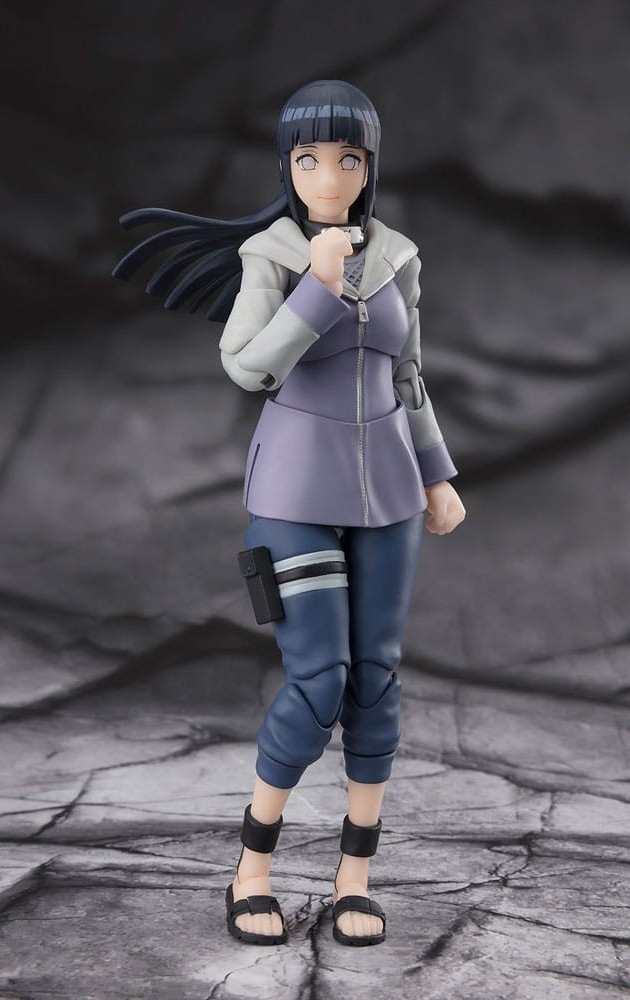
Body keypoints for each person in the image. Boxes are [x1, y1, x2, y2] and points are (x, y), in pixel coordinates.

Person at [113, 79, 465, 948]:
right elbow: (247, 366)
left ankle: (355, 877)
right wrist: (317, 287)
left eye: (348, 158)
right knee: (319, 681)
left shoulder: (399, 257)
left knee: (375, 679)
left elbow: (408, 376)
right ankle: (253, 866)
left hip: (389, 491)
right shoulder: (270, 255)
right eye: (311, 159)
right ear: (287, 167)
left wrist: (437, 472)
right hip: (294, 493)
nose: (330, 176)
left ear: (369, 166)